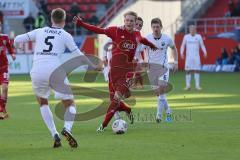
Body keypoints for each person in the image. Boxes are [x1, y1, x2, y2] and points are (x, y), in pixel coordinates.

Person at [73, 11, 157, 132]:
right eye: (127, 20)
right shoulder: (115, 31)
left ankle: (103, 125)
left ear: (135, 22)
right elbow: (98, 30)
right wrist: (81, 24)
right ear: (124, 21)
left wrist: (151, 45)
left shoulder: (136, 34)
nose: (129, 23)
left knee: (116, 100)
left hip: (126, 74)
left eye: (132, 21)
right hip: (112, 73)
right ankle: (127, 109)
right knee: (116, 99)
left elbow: (141, 39)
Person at [14, 8, 84, 148]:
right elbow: (77, 55)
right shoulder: (65, 35)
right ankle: (67, 129)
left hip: (37, 71)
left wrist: (19, 49)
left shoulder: (40, 31)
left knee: (43, 102)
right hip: (55, 70)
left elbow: (17, 39)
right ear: (64, 21)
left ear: (51, 19)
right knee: (70, 103)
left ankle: (54, 134)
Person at [101, 16, 145, 122]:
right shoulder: (119, 32)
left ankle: (124, 109)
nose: (138, 27)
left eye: (140, 25)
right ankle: (118, 118)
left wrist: (137, 71)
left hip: (126, 70)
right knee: (114, 95)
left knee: (124, 94)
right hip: (111, 68)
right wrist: (104, 57)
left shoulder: (139, 41)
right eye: (137, 24)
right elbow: (105, 45)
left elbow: (139, 58)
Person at [136, 18, 178, 123]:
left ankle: (158, 116)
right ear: (151, 28)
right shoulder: (147, 39)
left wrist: (176, 62)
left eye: (157, 27)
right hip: (151, 69)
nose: (156, 29)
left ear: (161, 27)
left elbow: (174, 48)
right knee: (159, 94)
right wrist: (140, 60)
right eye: (154, 27)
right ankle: (168, 111)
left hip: (163, 68)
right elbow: (138, 50)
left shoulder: (167, 39)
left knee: (162, 88)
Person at [180, 25, 207, 91]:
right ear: (189, 30)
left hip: (196, 57)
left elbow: (202, 45)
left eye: (193, 29)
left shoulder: (199, 36)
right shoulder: (186, 37)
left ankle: (197, 86)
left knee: (197, 70)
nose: (192, 31)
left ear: (195, 30)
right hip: (188, 57)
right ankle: (188, 86)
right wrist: (181, 53)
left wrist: (205, 52)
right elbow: (183, 45)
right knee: (188, 71)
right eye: (191, 29)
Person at [0, 21, 16, 120]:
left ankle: (2, 109)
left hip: (3, 67)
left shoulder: (5, 37)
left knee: (5, 88)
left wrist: (12, 54)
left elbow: (9, 47)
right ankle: (2, 111)